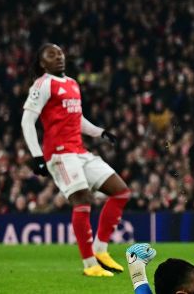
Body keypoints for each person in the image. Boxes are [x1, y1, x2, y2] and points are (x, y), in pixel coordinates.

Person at [21, 43, 131, 277]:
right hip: (60, 154)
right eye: (52, 55)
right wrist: (37, 156)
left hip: (80, 151)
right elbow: (27, 121)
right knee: (82, 199)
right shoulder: (43, 84)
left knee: (121, 191)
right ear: (42, 63)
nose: (59, 57)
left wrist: (100, 132)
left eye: (60, 53)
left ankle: (100, 250)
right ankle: (90, 265)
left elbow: (77, 118)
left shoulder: (72, 83)